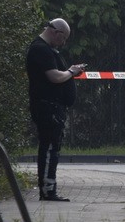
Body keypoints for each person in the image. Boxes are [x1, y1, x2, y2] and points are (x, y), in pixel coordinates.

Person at [26, 18, 86, 202]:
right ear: (55, 32)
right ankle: (47, 190)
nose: (64, 42)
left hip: (52, 107)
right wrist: (71, 71)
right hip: (47, 107)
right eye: (64, 38)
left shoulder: (47, 49)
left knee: (52, 147)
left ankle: (49, 188)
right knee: (49, 147)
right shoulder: (40, 49)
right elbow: (54, 77)